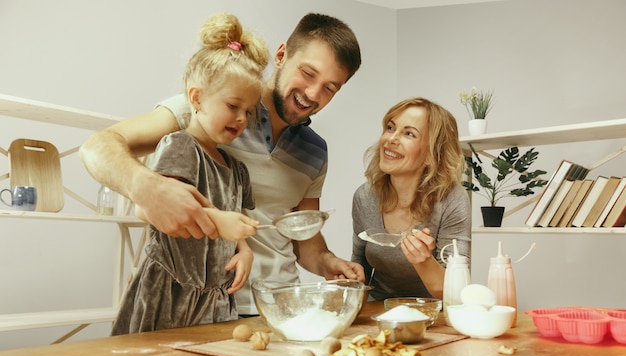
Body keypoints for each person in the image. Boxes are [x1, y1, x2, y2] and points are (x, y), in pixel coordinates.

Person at [80, 13, 366, 316]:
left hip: (281, 310)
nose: (312, 94)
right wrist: (147, 187)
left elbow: (304, 239)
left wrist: (328, 262)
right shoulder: (209, 108)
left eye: (329, 88)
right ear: (281, 55)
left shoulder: (316, 151)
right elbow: (98, 146)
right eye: (308, 74)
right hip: (204, 308)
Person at [110, 13, 269, 334]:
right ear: (196, 98)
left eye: (249, 111)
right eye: (233, 105)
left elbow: (235, 224)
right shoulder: (181, 146)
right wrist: (219, 221)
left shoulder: (236, 169)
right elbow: (159, 208)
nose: (241, 118)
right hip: (169, 293)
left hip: (214, 298)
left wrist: (245, 250)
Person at [351, 97, 471, 301]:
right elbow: (359, 265)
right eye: (390, 128)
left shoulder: (452, 200)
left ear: (433, 152)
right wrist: (349, 279)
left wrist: (424, 262)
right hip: (379, 313)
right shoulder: (365, 196)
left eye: (409, 133)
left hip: (434, 316)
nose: (391, 139)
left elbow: (457, 290)